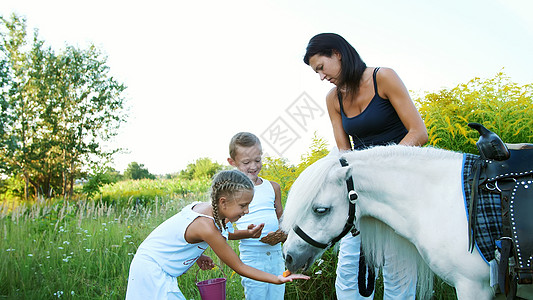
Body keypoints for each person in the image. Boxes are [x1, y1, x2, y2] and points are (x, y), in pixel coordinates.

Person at [303, 33, 428, 299]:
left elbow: (418, 133)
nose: (322, 76)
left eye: (321, 68)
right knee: (350, 272)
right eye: (317, 72)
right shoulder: (332, 99)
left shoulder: (383, 77)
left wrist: (379, 169)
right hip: (361, 191)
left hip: (398, 187)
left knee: (398, 272)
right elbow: (344, 153)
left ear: (337, 53)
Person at [125, 170, 308, 300]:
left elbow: (180, 237)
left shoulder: (209, 212)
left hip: (152, 265)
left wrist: (197, 253)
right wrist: (277, 278)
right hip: (151, 272)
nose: (247, 210)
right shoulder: (205, 226)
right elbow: (240, 266)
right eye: (243, 205)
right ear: (223, 202)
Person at [227, 132, 287, 300]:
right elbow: (223, 231)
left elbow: (281, 217)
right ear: (232, 162)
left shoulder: (272, 187)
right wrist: (246, 234)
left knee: (277, 296)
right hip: (252, 259)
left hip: (276, 256)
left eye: (258, 160)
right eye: (246, 162)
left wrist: (283, 233)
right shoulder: (231, 192)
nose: (253, 166)